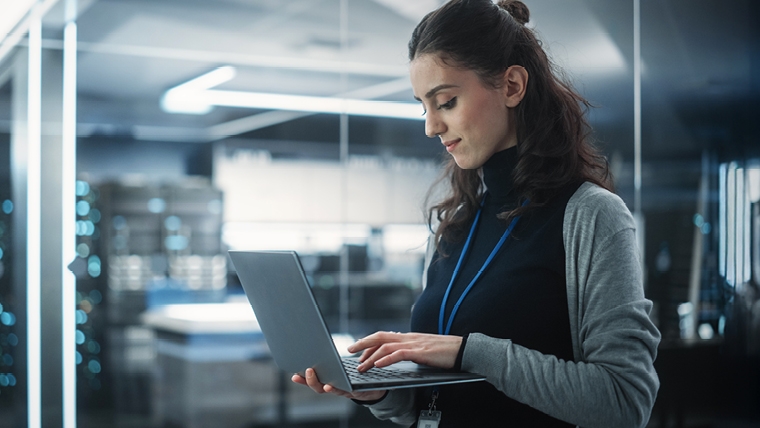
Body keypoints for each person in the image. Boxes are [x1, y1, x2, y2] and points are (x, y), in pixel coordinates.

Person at [293, 0, 661, 426]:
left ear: (511, 86)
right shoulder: (455, 225)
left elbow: (624, 403)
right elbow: (429, 406)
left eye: (445, 101)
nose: (431, 126)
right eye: (423, 106)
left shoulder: (591, 217)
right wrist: (380, 390)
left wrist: (469, 351)